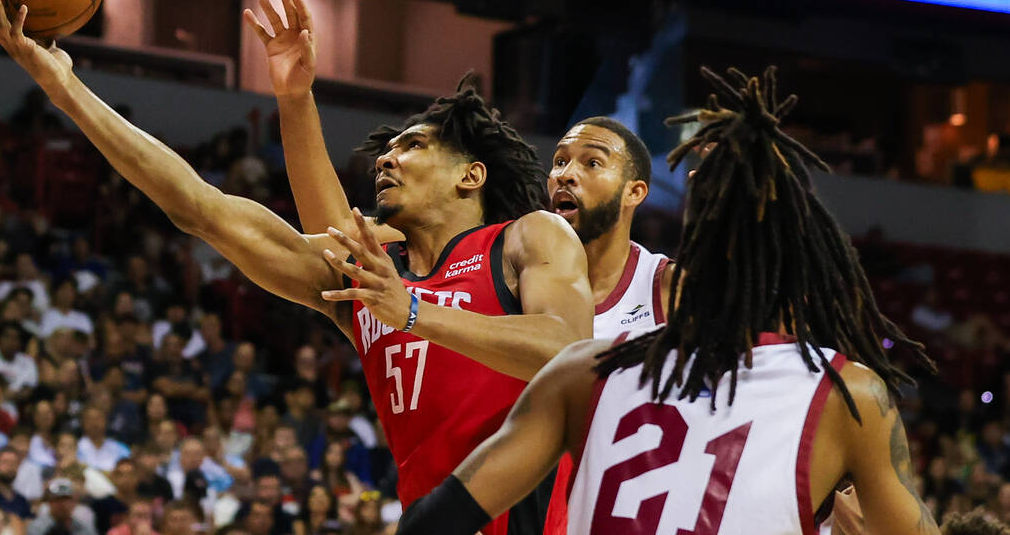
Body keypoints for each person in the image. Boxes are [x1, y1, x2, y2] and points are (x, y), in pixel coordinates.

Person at [0, 0, 592, 535]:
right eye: (388, 150)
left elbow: (567, 350)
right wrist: (67, 90)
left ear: (471, 176)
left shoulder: (527, 238)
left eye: (414, 146)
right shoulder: (370, 283)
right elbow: (198, 205)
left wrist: (414, 312)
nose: (387, 159)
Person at [396, 66, 940, 535]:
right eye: (562, 160)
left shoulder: (583, 367)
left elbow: (434, 521)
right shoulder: (848, 396)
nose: (565, 174)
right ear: (810, 254)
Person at [254, 0, 672, 533]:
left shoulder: (664, 284)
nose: (566, 173)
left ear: (637, 191)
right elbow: (338, 236)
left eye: (592, 163)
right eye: (561, 160)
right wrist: (296, 102)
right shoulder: (521, 249)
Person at [0, 325, 38, 400]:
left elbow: (29, 389)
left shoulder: (28, 362)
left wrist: (11, 395)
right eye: (7, 336)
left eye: (15, 338)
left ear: (20, 343)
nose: (11, 341)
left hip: (14, 403)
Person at [27, 479, 94, 535]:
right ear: (50, 502)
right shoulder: (38, 527)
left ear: (74, 502)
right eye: (57, 500)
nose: (62, 504)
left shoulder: (81, 527)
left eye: (66, 499)